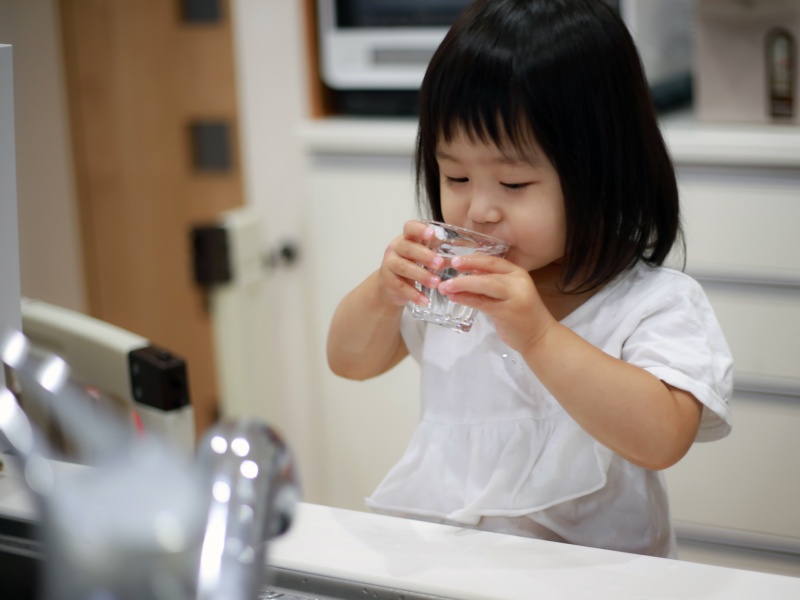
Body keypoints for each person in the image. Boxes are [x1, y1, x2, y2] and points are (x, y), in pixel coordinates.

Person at [326, 0, 733, 558]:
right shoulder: (454, 284)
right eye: (457, 175)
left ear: (603, 174)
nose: (479, 210)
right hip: (450, 566)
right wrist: (380, 293)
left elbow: (663, 439)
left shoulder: (650, 304)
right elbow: (349, 361)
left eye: (514, 183)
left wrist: (539, 336)